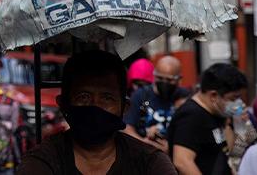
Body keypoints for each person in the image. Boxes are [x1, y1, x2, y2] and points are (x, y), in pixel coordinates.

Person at [17, 50, 176, 174]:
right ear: (63, 104)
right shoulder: (42, 161)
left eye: (107, 98)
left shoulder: (150, 162)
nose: (95, 106)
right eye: (83, 96)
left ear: (125, 107)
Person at [167, 62, 248, 175]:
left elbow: (229, 151)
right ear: (213, 96)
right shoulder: (191, 116)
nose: (238, 103)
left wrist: (238, 125)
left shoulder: (218, 114)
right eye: (233, 98)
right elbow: (182, 161)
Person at [125, 55, 186, 152]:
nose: (164, 83)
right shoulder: (140, 95)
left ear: (179, 79)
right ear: (154, 76)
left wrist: (173, 149)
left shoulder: (184, 97)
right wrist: (144, 144)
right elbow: (127, 129)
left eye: (169, 80)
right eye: (160, 78)